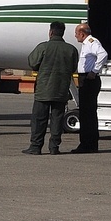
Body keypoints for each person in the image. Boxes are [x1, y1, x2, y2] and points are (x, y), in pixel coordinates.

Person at [23, 21, 78, 156]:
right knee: (57, 119)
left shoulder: (43, 47)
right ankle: (54, 147)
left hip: (43, 90)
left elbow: (32, 63)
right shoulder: (71, 49)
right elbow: (73, 68)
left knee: (39, 119)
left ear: (51, 32)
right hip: (61, 90)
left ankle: (36, 146)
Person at [72, 23, 108, 154]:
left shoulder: (92, 42)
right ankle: (88, 143)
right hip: (84, 78)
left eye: (76, 33)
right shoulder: (86, 44)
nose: (75, 35)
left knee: (88, 114)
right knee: (86, 113)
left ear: (82, 33)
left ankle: (88, 144)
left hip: (89, 79)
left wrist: (94, 71)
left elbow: (103, 54)